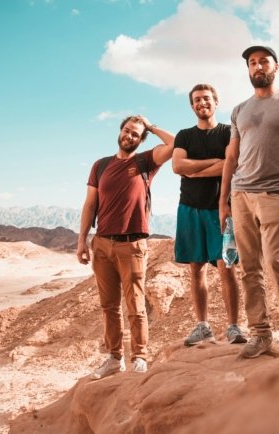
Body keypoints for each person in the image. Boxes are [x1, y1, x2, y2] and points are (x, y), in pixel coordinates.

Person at [219, 46, 279, 359]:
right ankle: (260, 333)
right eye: (252, 63)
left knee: (275, 261)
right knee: (249, 268)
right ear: (248, 70)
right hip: (240, 194)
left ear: (276, 66)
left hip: (275, 193)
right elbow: (231, 156)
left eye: (263, 62)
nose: (258, 67)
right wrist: (224, 201)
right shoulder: (238, 110)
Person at [77, 115, 175, 378]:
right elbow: (89, 205)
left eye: (135, 134)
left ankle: (140, 356)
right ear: (120, 131)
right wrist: (82, 241)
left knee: (135, 305)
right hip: (102, 243)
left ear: (141, 139)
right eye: (127, 131)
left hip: (132, 245)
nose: (129, 136)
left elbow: (174, 143)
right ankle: (113, 358)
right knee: (109, 306)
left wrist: (151, 127)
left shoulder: (145, 162)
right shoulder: (101, 166)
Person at [172, 84, 247, 347]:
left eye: (206, 98)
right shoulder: (184, 136)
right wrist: (216, 164)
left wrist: (194, 170)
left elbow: (233, 164)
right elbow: (177, 166)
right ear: (192, 106)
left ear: (216, 102)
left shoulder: (229, 132)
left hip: (222, 209)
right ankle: (203, 326)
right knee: (196, 269)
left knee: (227, 268)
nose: (201, 103)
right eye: (196, 100)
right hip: (189, 208)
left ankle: (234, 327)